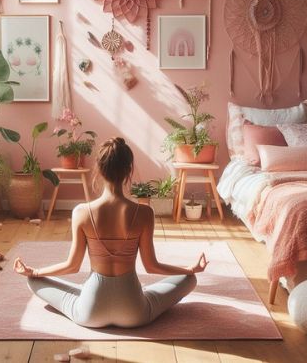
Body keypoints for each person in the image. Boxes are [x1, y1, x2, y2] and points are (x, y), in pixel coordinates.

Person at [14, 137, 209, 328]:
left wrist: (36, 272)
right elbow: (151, 266)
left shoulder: (81, 212)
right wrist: (189, 269)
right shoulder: (144, 213)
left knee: (34, 281)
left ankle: (84, 293)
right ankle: (136, 294)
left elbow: (72, 266)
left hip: (90, 312)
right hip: (134, 313)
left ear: (98, 169)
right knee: (189, 280)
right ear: (128, 170)